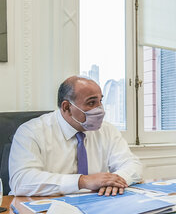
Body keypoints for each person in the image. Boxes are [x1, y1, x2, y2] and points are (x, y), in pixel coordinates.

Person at [9, 76, 142, 197]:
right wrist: (82, 181)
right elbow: (21, 180)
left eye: (100, 101)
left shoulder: (107, 130)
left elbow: (132, 164)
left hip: (95, 204)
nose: (100, 109)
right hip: (44, 208)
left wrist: (115, 180)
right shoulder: (31, 132)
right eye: (91, 103)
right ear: (66, 107)